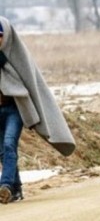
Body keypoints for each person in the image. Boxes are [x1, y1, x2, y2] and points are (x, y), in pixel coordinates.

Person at [0, 17, 75, 203]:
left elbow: (32, 84)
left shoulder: (17, 59)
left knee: (9, 144)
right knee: (2, 151)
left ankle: (5, 185)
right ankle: (15, 189)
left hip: (14, 109)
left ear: (6, 37)